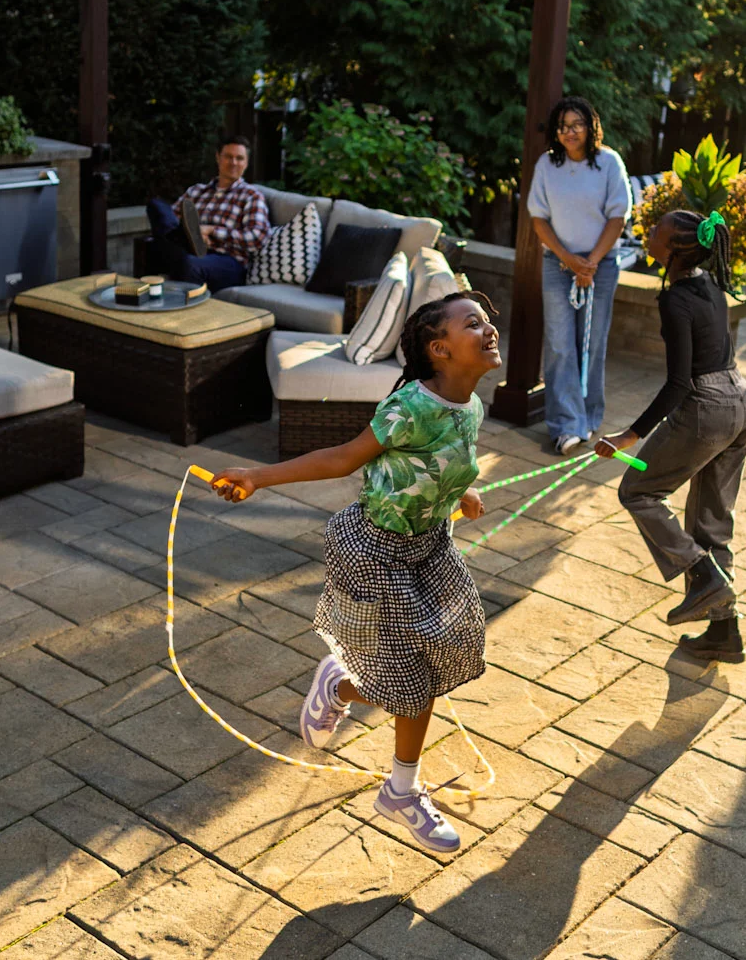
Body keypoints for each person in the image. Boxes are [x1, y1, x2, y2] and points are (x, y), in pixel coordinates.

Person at [208, 291, 501, 855]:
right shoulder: (409, 407)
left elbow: (439, 462)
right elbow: (343, 458)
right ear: (440, 350)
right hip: (375, 551)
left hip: (429, 547)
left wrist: (459, 493)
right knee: (411, 680)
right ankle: (401, 789)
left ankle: (339, 686)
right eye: (473, 323)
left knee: (450, 648)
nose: (488, 329)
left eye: (487, 321)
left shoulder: (470, 406)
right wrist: (257, 476)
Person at [595, 207, 746, 665]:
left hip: (709, 408)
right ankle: (724, 631)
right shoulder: (709, 283)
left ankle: (704, 575)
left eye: (656, 231)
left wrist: (629, 436)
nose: (648, 233)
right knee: (711, 520)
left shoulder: (675, 299)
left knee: (638, 491)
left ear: (673, 249)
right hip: (743, 402)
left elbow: (679, 384)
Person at [527, 95, 631, 456]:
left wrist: (590, 264)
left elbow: (618, 216)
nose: (569, 132)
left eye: (576, 124)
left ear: (590, 126)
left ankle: (588, 417)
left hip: (600, 266)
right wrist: (569, 260)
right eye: (562, 126)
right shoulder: (547, 165)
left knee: (591, 343)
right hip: (558, 264)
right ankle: (566, 425)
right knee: (559, 344)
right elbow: (539, 219)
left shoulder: (609, 163)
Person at [145, 136, 270, 293]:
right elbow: (170, 222)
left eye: (239, 158)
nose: (233, 162)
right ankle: (191, 241)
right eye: (228, 157)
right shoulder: (196, 191)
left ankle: (191, 245)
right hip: (186, 250)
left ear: (246, 163)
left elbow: (258, 237)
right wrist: (188, 234)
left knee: (188, 262)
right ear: (218, 157)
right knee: (157, 206)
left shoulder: (251, 195)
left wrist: (211, 231)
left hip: (228, 261)